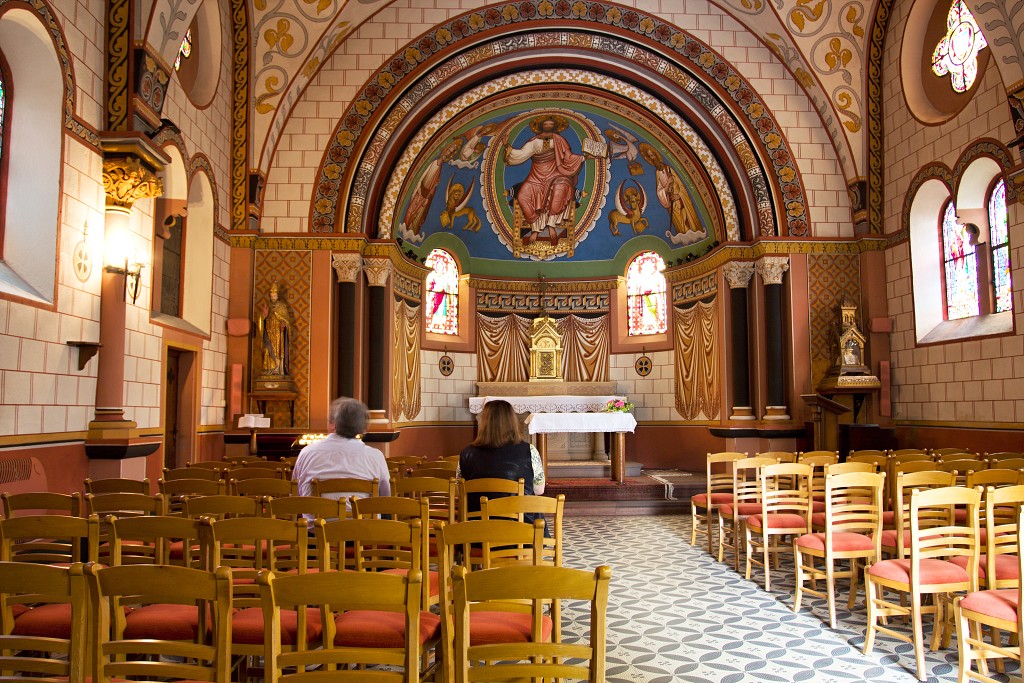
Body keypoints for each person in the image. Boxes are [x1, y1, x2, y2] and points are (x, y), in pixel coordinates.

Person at [292, 398, 391, 518]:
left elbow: (296, 494)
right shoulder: (375, 456)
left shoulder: (307, 453)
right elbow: (386, 497)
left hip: (317, 531)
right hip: (363, 531)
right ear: (364, 428)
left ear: (333, 424)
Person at [458, 399, 546, 524]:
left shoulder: (466, 453)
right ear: (512, 422)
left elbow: (459, 490)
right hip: (521, 531)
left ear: (484, 422)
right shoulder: (529, 451)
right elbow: (539, 489)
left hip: (477, 531)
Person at [504, 114, 586, 246]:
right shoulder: (534, 141)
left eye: (551, 124)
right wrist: (507, 146)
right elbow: (521, 154)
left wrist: (583, 157)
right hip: (536, 176)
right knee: (522, 196)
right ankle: (535, 228)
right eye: (546, 124)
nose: (548, 126)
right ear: (541, 126)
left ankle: (551, 225)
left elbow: (568, 158)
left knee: (561, 188)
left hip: (557, 174)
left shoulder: (559, 140)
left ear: (555, 127)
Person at [256, 281, 292, 377]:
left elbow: (286, 319)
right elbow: (261, 320)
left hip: (278, 331)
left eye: (274, 296)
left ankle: (278, 369)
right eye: (271, 296)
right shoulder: (267, 306)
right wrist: (263, 315)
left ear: (278, 296)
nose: (273, 297)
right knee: (267, 348)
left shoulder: (282, 306)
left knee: (278, 349)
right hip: (268, 330)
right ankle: (269, 368)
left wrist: (284, 323)